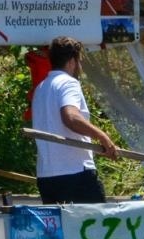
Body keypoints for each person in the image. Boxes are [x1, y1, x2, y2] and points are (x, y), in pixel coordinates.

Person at [30, 36, 117, 205]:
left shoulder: (41, 88)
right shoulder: (68, 83)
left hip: (47, 177)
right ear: (71, 61)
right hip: (75, 174)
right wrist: (103, 137)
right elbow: (71, 117)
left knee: (63, 230)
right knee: (96, 228)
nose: (81, 67)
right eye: (80, 61)